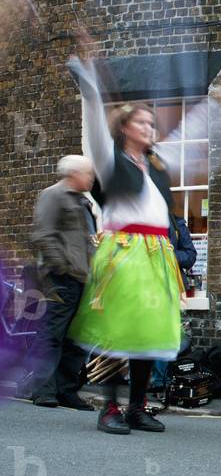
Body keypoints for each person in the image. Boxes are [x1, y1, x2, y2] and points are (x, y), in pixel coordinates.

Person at [69, 58, 183, 435]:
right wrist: (90, 86)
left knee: (148, 330)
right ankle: (109, 407)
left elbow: (195, 134)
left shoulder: (157, 166)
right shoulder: (110, 161)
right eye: (142, 122)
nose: (150, 127)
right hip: (124, 251)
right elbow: (94, 127)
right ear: (123, 128)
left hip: (157, 254)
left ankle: (136, 406)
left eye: (152, 123)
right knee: (118, 327)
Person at [28, 155, 97, 410]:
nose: (91, 178)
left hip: (83, 279)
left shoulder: (83, 201)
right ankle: (43, 390)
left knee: (76, 338)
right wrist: (61, 267)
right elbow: (43, 234)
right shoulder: (53, 195)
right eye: (88, 173)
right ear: (73, 174)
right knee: (52, 334)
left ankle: (67, 390)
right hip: (61, 277)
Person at [150, 214, 197, 391]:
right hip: (142, 285)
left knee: (164, 334)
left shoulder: (176, 223)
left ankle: (160, 380)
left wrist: (169, 253)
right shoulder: (138, 221)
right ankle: (143, 381)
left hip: (169, 286)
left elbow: (190, 256)